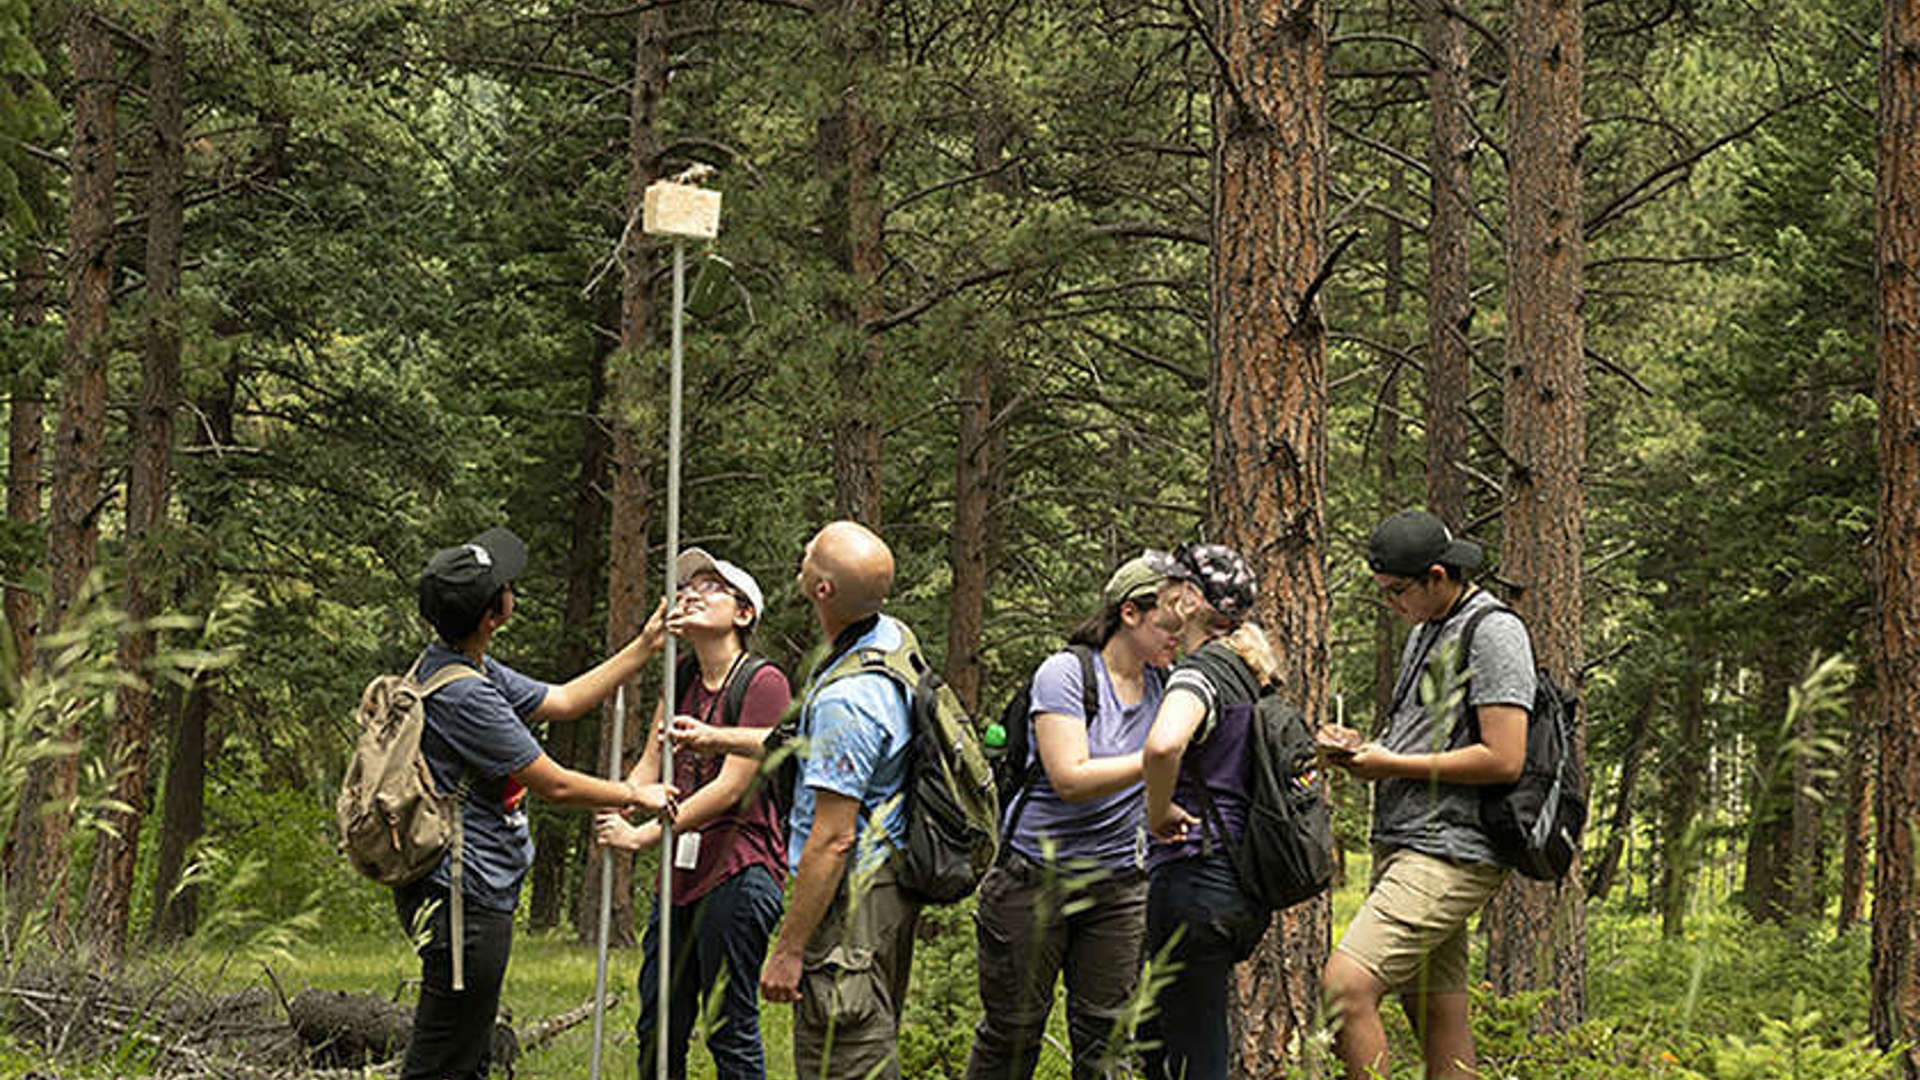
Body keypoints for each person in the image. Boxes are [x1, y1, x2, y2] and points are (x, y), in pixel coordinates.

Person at [401, 525, 677, 1080]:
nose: (512, 589)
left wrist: (643, 647)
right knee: (442, 1059)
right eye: (504, 585)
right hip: (464, 899)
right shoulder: (465, 693)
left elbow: (566, 699)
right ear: (493, 615)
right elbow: (556, 784)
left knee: (465, 1051)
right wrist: (633, 793)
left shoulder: (461, 664)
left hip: (469, 890)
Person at [670, 520, 922, 1080]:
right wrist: (718, 737)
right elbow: (806, 743)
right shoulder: (882, 642)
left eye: (811, 554)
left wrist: (789, 950)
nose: (802, 553)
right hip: (885, 883)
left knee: (844, 1055)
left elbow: (834, 839)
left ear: (823, 589)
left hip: (851, 895)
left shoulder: (848, 700)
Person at [1320, 510, 1533, 1080]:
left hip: (1452, 849)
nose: (1390, 603)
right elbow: (1426, 737)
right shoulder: (1426, 631)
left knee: (1345, 984)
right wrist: (1366, 749)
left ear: (1437, 576)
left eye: (1396, 591)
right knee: (1435, 1006)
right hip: (1410, 839)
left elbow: (1504, 755)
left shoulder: (1495, 632)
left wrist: (1391, 763)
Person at [965, 553, 1194, 1080]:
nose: (1174, 638)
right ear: (1129, 614)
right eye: (1166, 625)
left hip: (1119, 886)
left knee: (1107, 1039)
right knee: (1012, 1033)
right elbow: (1069, 777)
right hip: (1033, 880)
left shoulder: (1166, 684)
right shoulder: (1067, 673)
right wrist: (1155, 758)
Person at [594, 548, 792, 1080]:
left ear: (744, 613)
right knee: (659, 1022)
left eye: (712, 587)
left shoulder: (763, 682)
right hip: (678, 875)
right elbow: (650, 763)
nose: (693, 593)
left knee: (728, 1024)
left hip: (738, 870)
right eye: (688, 586)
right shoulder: (679, 674)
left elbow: (730, 788)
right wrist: (618, 796)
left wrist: (640, 838)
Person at [1137, 542, 1278, 1080]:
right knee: (1178, 1037)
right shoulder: (1250, 672)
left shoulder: (1200, 672)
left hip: (1196, 875)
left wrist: (1158, 810)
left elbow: (1163, 745)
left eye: (1170, 584)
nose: (1160, 592)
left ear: (1190, 601)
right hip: (1238, 882)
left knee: (1191, 1056)